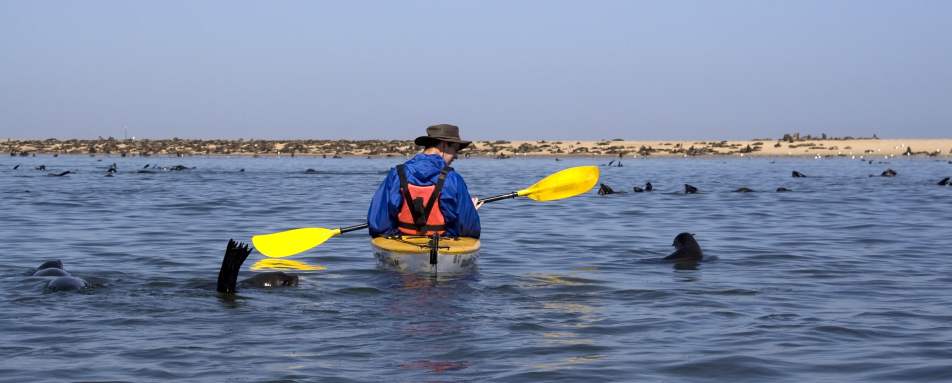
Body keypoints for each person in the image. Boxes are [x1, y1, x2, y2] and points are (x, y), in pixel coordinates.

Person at [368, 124, 482, 238]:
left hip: (403, 244)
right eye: (455, 150)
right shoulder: (453, 179)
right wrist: (470, 212)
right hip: (443, 246)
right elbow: (469, 230)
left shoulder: (397, 174)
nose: (456, 156)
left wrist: (395, 234)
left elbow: (378, 224)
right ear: (444, 145)